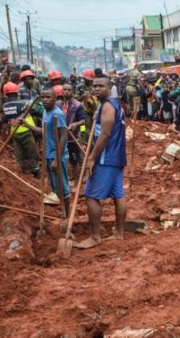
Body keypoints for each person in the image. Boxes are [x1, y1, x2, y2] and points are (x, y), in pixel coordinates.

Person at [75, 77, 127, 249]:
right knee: (118, 195)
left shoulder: (107, 106)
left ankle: (95, 237)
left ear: (109, 88)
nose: (96, 89)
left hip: (106, 157)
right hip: (118, 156)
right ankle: (118, 233)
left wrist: (91, 158)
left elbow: (104, 134)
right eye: (94, 86)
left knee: (91, 196)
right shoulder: (113, 104)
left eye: (100, 86)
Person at [23, 88, 71, 215]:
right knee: (55, 186)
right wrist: (27, 125)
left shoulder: (57, 114)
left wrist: (56, 158)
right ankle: (63, 211)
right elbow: (44, 131)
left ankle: (67, 214)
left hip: (57, 155)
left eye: (48, 97)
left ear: (55, 98)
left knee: (62, 186)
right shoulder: (45, 112)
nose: (44, 99)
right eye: (42, 97)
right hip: (48, 153)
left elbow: (63, 136)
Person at [0, 82, 39, 177]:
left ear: (5, 94)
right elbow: (35, 109)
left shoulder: (4, 106)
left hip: (15, 133)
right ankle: (35, 171)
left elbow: (4, 120)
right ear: (17, 93)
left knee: (19, 154)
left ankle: (20, 171)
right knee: (32, 152)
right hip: (26, 131)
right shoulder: (22, 104)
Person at [60, 83, 87, 184]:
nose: (66, 91)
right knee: (61, 160)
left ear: (73, 92)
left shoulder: (78, 105)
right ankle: (64, 181)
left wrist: (75, 124)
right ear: (61, 91)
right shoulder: (57, 104)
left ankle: (76, 182)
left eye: (69, 90)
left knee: (74, 160)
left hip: (73, 137)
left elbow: (83, 120)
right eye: (65, 89)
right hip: (60, 137)